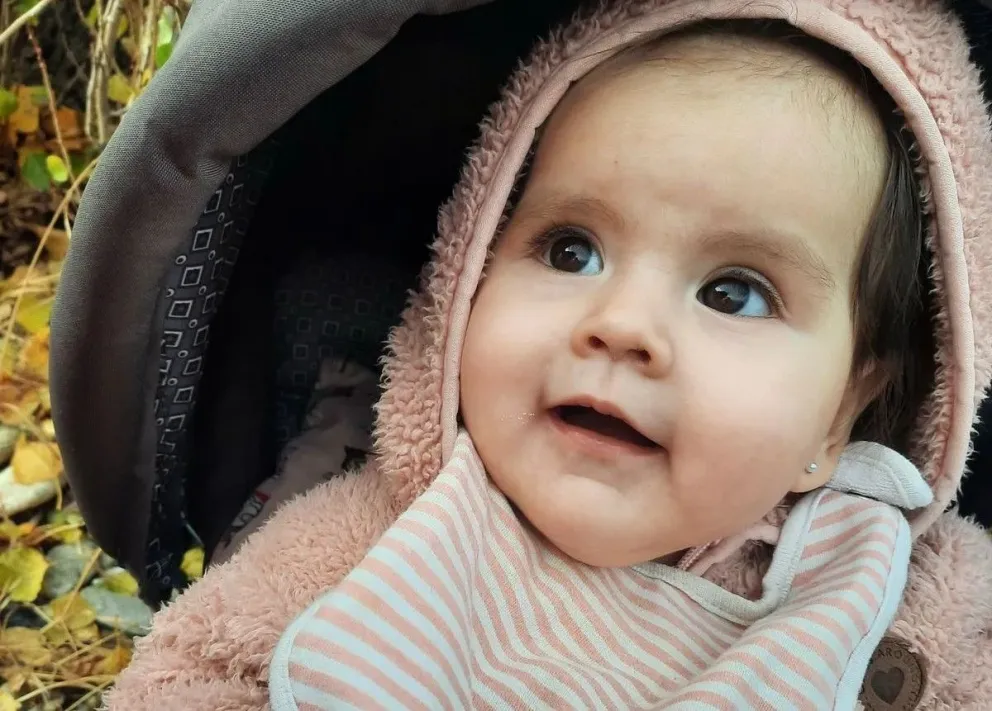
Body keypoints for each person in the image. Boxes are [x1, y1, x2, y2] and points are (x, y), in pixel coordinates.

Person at [107, 1, 992, 709]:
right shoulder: (371, 540)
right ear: (466, 271)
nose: (621, 324)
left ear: (839, 413)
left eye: (734, 291)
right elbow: (190, 671)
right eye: (571, 250)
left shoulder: (907, 601)